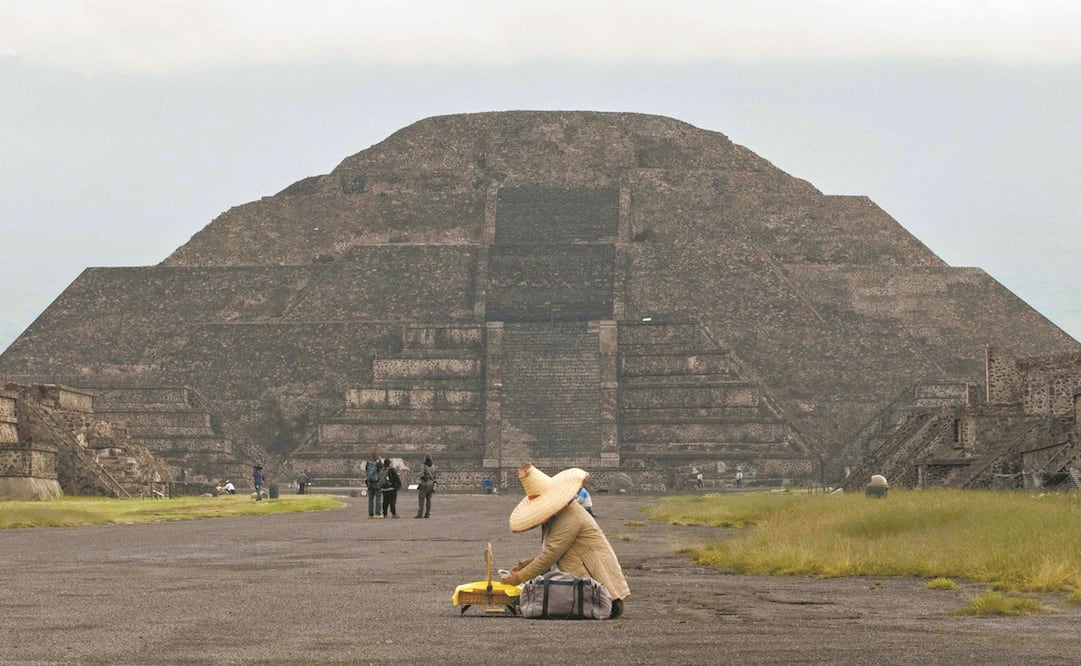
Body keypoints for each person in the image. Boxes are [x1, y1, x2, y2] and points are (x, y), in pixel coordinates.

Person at [501, 464, 630, 619]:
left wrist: (520, 577)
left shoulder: (569, 517)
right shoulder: (560, 515)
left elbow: (551, 555)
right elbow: (553, 552)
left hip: (596, 589)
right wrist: (523, 566)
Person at [415, 454, 436, 518]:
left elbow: (421, 474)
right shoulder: (433, 466)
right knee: (428, 500)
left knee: (421, 499)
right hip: (431, 484)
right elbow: (434, 475)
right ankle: (427, 514)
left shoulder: (423, 466)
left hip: (425, 484)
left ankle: (420, 514)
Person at [365, 452, 383, 518]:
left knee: (370, 499)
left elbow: (366, 471)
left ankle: (370, 514)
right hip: (376, 482)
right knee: (378, 498)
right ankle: (377, 513)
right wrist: (380, 459)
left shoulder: (368, 463)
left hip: (369, 483)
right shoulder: (378, 464)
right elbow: (382, 467)